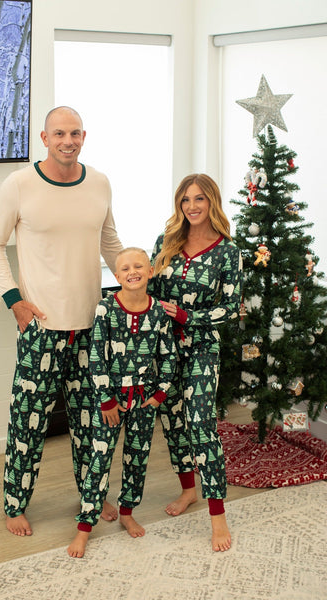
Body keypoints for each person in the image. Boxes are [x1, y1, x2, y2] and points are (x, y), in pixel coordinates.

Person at [0, 106, 123, 536]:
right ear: (44, 139)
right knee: (28, 424)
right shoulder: (19, 184)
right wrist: (15, 301)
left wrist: (137, 284)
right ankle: (14, 504)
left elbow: (110, 242)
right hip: (41, 329)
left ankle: (92, 497)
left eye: (75, 133)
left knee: (92, 424)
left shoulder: (99, 182)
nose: (68, 141)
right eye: (59, 133)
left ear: (84, 137)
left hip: (91, 327)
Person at [149, 174, 243, 552]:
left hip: (202, 346)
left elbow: (231, 308)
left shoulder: (227, 251)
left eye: (199, 199)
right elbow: (149, 292)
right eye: (185, 200)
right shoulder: (165, 242)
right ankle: (189, 489)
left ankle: (218, 516)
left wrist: (188, 316)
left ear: (212, 202)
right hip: (164, 347)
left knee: (201, 423)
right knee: (172, 421)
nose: (192, 206)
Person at [67, 247, 177, 558]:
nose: (132, 272)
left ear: (150, 271)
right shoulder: (106, 309)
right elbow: (96, 357)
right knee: (99, 461)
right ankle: (84, 527)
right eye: (125, 268)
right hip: (110, 401)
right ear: (117, 276)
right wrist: (105, 400)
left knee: (137, 459)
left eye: (139, 266)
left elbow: (168, 356)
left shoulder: (158, 312)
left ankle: (127, 512)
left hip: (144, 401)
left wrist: (159, 394)